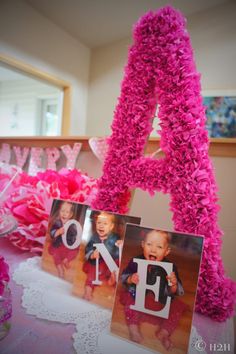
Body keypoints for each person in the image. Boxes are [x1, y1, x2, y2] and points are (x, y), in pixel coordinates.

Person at [120, 229, 187, 351]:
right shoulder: (136, 261)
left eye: (159, 247)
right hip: (139, 298)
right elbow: (124, 277)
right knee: (129, 302)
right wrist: (130, 278)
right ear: (142, 245)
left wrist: (173, 284)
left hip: (160, 302)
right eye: (149, 244)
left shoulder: (170, 268)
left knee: (177, 308)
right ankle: (133, 328)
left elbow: (174, 291)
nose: (153, 250)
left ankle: (164, 333)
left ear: (167, 251)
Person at [83, 211, 122, 300]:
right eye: (99, 223)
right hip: (98, 263)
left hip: (109, 262)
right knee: (91, 275)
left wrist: (120, 245)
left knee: (117, 269)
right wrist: (92, 254)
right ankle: (88, 291)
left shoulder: (115, 237)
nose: (101, 225)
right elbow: (88, 249)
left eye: (105, 223)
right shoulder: (94, 237)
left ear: (111, 227)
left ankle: (112, 281)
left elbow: (116, 252)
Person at [48, 201, 79, 278]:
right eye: (62, 211)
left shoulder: (72, 225)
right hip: (58, 246)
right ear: (59, 212)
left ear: (71, 214)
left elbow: (74, 236)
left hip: (68, 247)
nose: (64, 214)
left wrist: (73, 241)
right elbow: (52, 233)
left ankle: (66, 260)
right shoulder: (57, 223)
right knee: (56, 256)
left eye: (67, 212)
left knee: (75, 251)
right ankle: (60, 269)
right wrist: (58, 232)